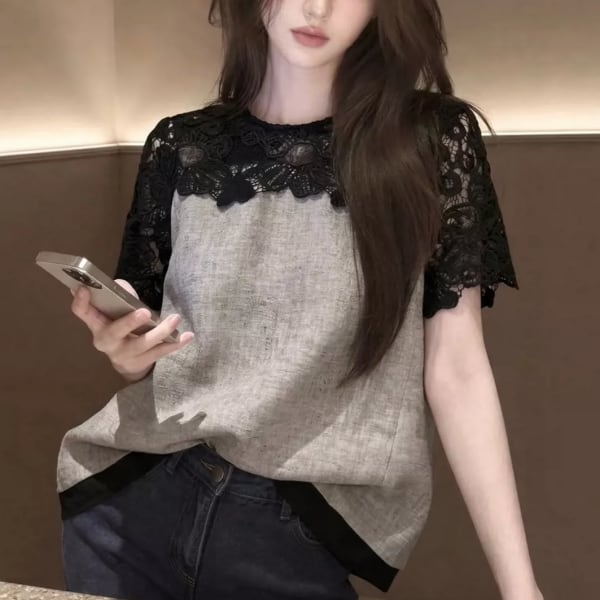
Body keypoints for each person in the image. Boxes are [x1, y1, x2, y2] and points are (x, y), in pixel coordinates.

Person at [58, 1, 544, 599]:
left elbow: (458, 370)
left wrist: (521, 590)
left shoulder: (432, 139)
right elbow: (152, 348)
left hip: (291, 529)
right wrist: (126, 350)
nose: (317, 7)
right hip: (128, 507)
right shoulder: (181, 145)